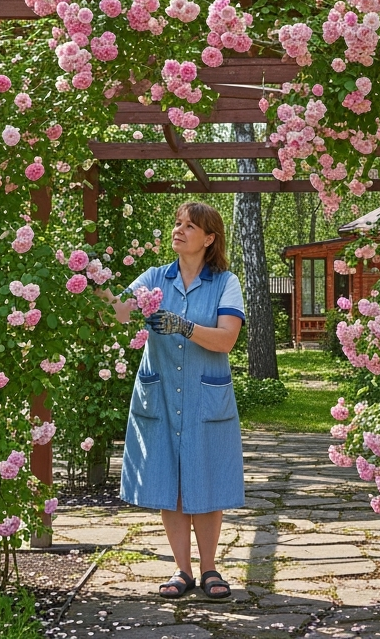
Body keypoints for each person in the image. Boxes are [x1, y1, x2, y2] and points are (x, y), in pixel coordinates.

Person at [103, 201, 245, 600]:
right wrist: (91, 279)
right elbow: (115, 314)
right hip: (160, 393)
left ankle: (210, 569)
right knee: (171, 481)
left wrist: (184, 326)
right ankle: (182, 570)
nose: (179, 230)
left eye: (189, 226)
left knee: (206, 479)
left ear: (209, 238)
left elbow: (226, 339)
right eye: (177, 223)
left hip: (205, 395)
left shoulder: (225, 282)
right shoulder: (153, 279)